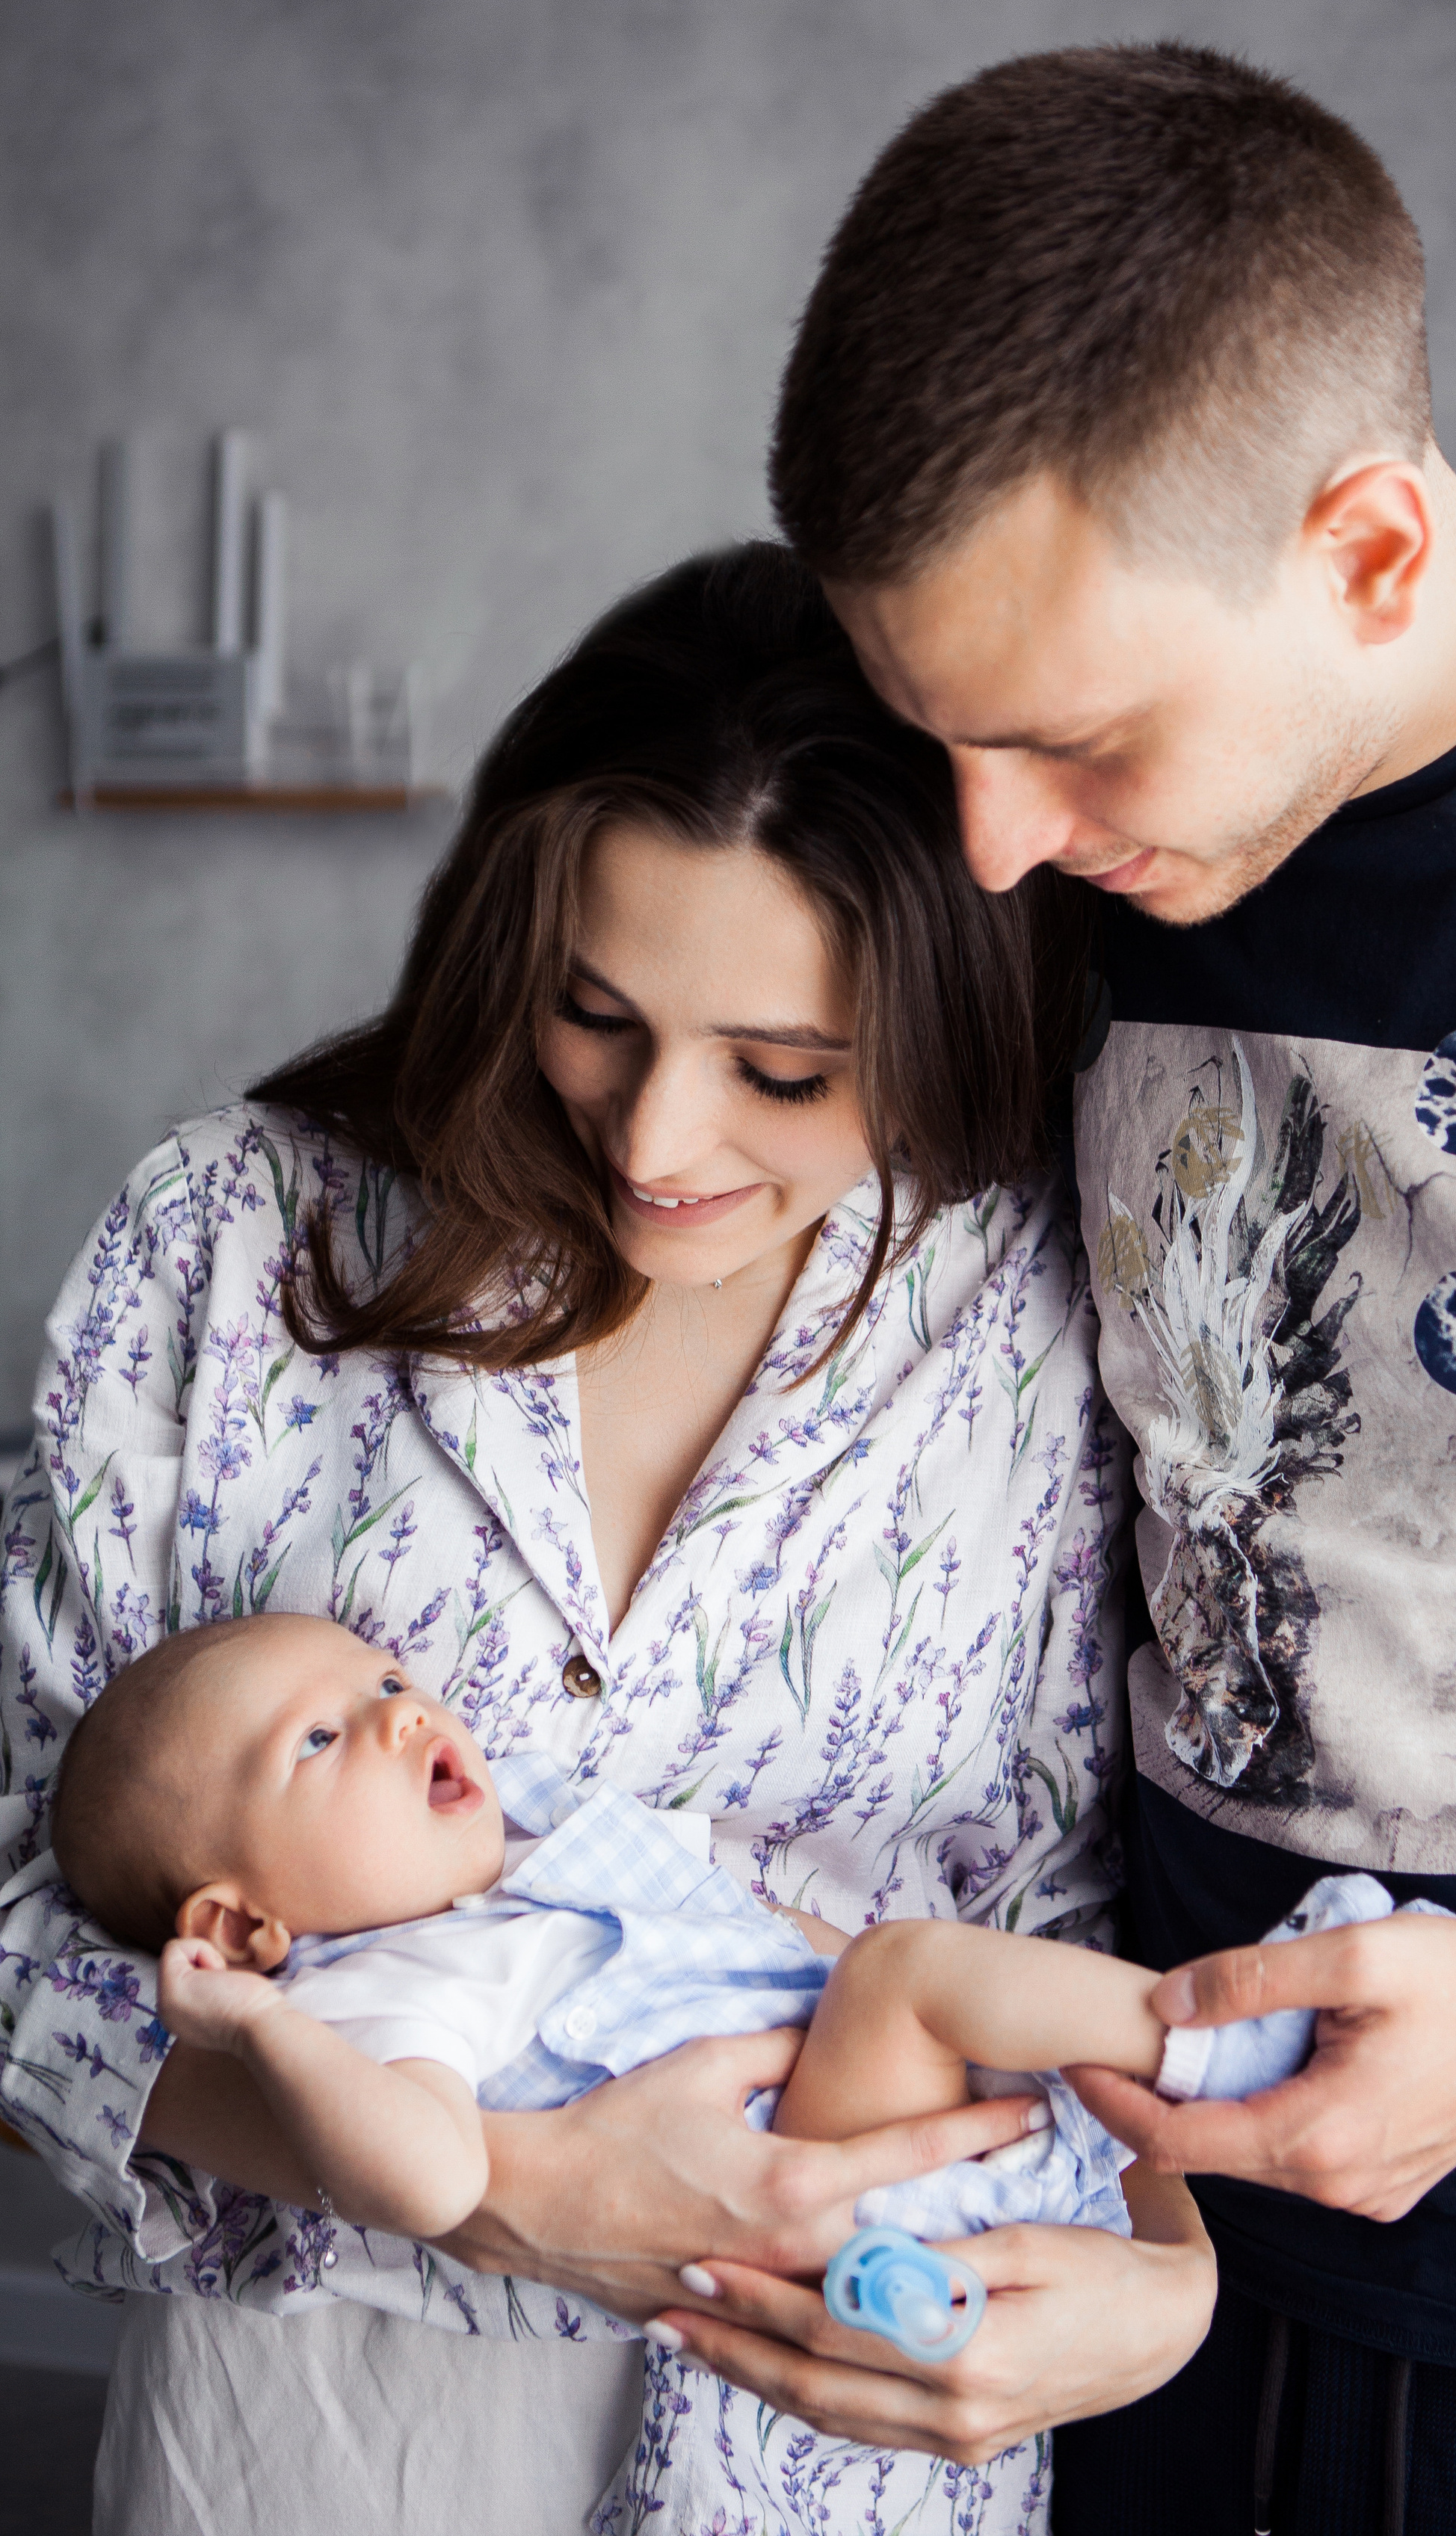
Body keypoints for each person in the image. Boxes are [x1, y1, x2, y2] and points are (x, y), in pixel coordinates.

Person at [641, 42, 1456, 2535]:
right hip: (1140, 2285)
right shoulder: (1030, 841)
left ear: (1364, 548)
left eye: (1080, 743)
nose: (995, 848)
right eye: (943, 733)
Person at [0, 544, 1217, 2536]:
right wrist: (508, 2192)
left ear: (951, 1015)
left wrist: (1164, 2288)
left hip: (851, 2441)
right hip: (327, 2438)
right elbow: (20, 1918)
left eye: (784, 1071)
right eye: (597, 1013)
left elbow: (1072, 1917)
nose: (657, 1142)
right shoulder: (234, 1250)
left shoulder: (1035, 1328)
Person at [52, 1609, 1398, 2276]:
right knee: (908, 1973)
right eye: (321, 1737)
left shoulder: (531, 1850)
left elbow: (761, 1924)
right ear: (239, 1926)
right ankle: (1220, 2036)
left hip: (872, 2124)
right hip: (823, 2196)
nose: (402, 1713)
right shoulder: (388, 1988)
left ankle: (1212, 2053)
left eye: (385, 1679)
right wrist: (264, 2026)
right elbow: (425, 2176)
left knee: (912, 1968)